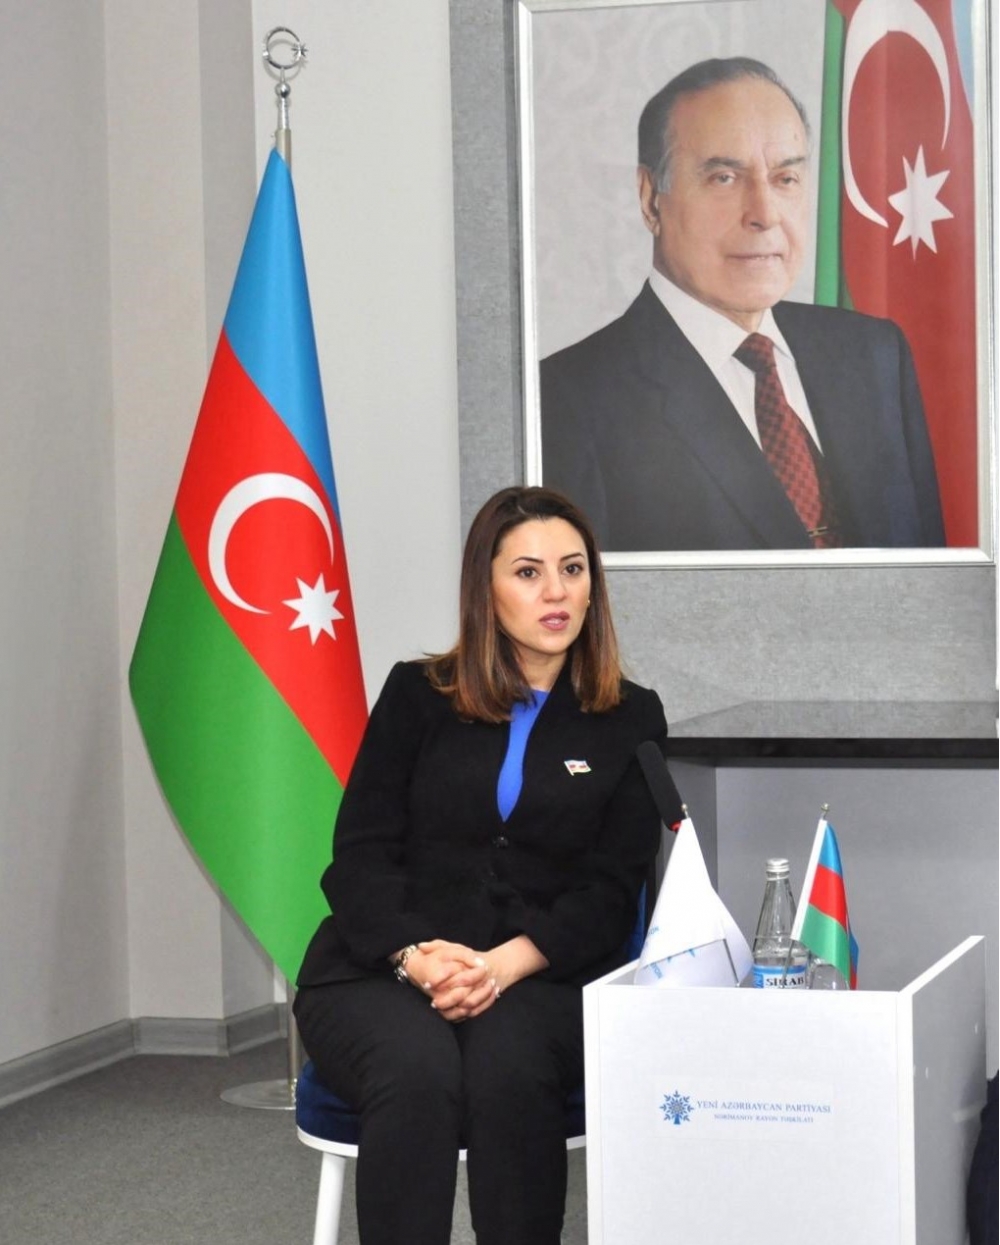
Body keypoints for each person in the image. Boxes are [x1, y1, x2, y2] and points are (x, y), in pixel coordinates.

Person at [294, 485, 678, 1245]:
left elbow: (612, 890)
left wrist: (499, 967)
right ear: (486, 587)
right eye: (528, 572)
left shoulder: (632, 716)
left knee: (509, 1070)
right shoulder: (416, 695)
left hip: (544, 975)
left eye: (572, 569)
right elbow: (360, 856)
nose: (556, 591)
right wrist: (416, 957)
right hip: (382, 966)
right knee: (415, 1071)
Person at [540, 57, 945, 553]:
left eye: (785, 178)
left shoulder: (875, 353)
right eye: (724, 178)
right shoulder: (567, 400)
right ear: (650, 199)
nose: (765, 214)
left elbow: (927, 576)